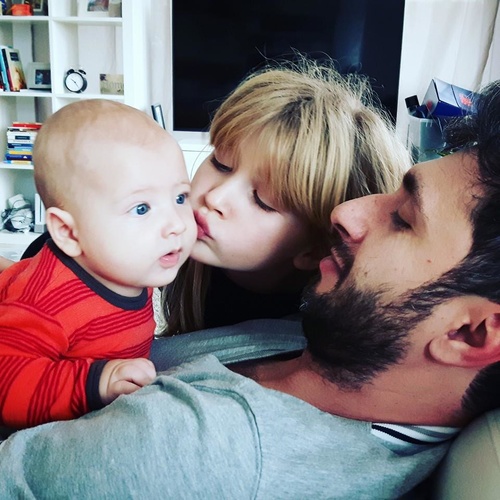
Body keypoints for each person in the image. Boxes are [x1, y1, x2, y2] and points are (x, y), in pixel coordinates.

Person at [1, 80, 499, 498]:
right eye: (220, 162)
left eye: (404, 219)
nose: (343, 213)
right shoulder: (319, 331)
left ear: (472, 333)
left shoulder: (209, 449)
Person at [160, 59, 410, 334]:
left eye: (262, 201)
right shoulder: (174, 241)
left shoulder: (306, 336)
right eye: (221, 163)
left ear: (313, 251)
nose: (215, 198)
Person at [0, 99, 196, 430]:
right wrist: (95, 382)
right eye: (142, 208)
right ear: (68, 232)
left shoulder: (130, 263)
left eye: (179, 198)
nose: (176, 223)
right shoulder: (48, 303)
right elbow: (6, 381)